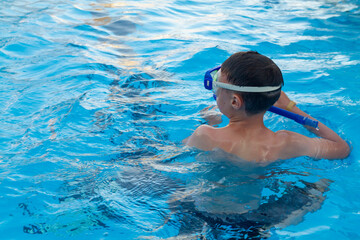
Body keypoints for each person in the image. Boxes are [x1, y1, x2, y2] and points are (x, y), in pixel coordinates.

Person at [185, 51, 350, 163]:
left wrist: (210, 123)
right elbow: (342, 148)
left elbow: (178, 154)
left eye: (217, 86)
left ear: (235, 102)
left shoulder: (206, 134)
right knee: (321, 186)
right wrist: (290, 107)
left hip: (201, 213)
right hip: (259, 214)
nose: (215, 91)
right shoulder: (287, 142)